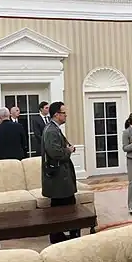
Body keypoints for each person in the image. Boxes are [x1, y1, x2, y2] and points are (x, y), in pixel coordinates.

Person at [41, 101, 79, 243]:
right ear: (56, 115)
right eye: (64, 113)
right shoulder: (51, 130)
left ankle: (62, 236)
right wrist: (68, 150)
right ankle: (63, 238)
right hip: (58, 178)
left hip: (60, 177)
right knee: (63, 209)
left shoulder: (54, 129)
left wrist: (67, 147)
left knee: (63, 207)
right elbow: (55, 153)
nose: (66, 115)